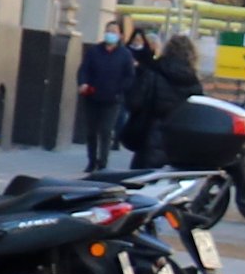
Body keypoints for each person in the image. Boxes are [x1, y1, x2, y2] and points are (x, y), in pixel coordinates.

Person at [119, 30, 197, 168]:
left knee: (141, 182)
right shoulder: (194, 82)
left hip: (150, 138)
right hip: (179, 145)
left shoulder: (154, 72)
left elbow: (134, 102)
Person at [77, 20, 133, 171]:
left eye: (114, 32)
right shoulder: (94, 51)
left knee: (106, 130)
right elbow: (84, 70)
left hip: (112, 99)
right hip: (92, 97)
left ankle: (103, 163)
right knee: (91, 131)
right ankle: (91, 160)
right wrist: (83, 83)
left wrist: (119, 90)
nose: (110, 34)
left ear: (120, 35)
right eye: (108, 31)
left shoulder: (125, 55)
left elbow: (130, 76)